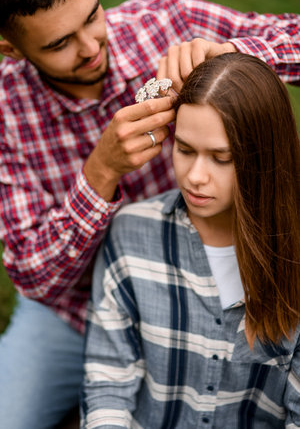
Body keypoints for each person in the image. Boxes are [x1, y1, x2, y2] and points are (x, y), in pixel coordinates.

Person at [0, 0, 299, 427]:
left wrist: (234, 58)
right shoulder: (6, 111)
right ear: (11, 49)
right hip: (75, 308)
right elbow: (35, 277)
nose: (90, 47)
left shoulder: (165, 24)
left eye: (92, 16)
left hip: (203, 277)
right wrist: (100, 173)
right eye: (60, 43)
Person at [82, 52, 300, 429]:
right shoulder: (131, 235)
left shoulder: (292, 252)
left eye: (222, 157)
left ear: (265, 157)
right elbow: (107, 386)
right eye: (184, 150)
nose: (196, 176)